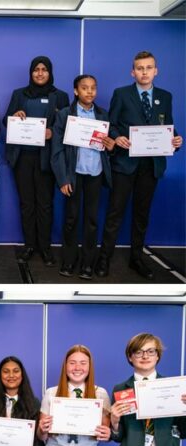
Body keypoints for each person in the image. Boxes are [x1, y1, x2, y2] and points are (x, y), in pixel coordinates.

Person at [99, 50, 183, 280]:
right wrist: (116, 137)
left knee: (141, 215)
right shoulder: (122, 94)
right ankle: (104, 259)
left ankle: (136, 259)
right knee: (115, 214)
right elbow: (111, 124)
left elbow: (167, 127)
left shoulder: (165, 96)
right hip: (125, 164)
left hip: (151, 166)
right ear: (132, 72)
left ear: (156, 71)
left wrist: (176, 140)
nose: (144, 72)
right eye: (140, 68)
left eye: (148, 68)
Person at [3, 56, 69, 267]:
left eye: (44, 70)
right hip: (22, 158)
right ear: (31, 72)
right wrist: (14, 115)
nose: (40, 73)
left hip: (47, 159)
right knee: (26, 204)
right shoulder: (19, 94)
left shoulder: (60, 96)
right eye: (36, 70)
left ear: (50, 72)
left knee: (45, 205)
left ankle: (45, 248)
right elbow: (6, 121)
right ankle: (29, 246)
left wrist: (53, 133)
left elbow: (68, 126)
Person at [51, 75, 115, 279]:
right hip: (74, 174)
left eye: (93, 88)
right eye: (85, 88)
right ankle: (69, 261)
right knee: (71, 219)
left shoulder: (103, 115)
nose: (90, 92)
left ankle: (88, 263)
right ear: (76, 91)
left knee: (91, 220)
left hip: (95, 172)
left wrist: (111, 146)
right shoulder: (64, 115)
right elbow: (57, 149)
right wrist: (63, 179)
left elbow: (110, 146)